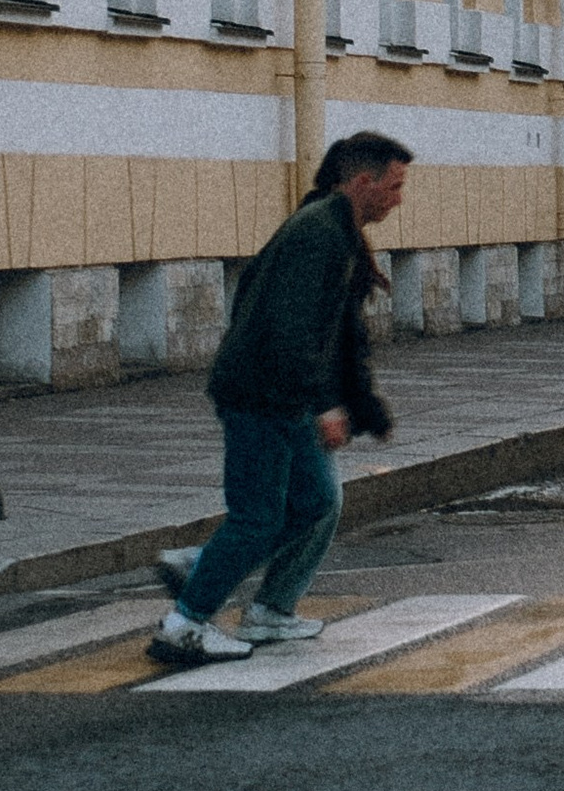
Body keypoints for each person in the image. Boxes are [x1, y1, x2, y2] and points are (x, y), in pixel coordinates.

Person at [145, 133, 412, 668]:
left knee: (314, 502)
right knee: (258, 518)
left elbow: (321, 328)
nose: (399, 199)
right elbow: (294, 328)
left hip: (281, 394)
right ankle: (186, 623)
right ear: (364, 182)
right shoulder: (320, 234)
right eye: (394, 186)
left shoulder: (334, 228)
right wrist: (326, 403)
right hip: (262, 395)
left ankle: (213, 576)